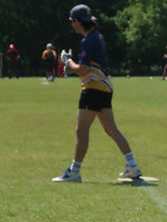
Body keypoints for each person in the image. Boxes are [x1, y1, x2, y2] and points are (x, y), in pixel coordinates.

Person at [52, 4, 143, 183]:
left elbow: (83, 69)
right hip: (104, 88)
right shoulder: (96, 36)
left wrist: (67, 62)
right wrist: (72, 65)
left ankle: (74, 171)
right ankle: (132, 165)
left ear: (77, 21)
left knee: (81, 130)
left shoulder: (88, 41)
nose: (72, 25)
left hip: (93, 89)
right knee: (111, 129)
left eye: (72, 21)